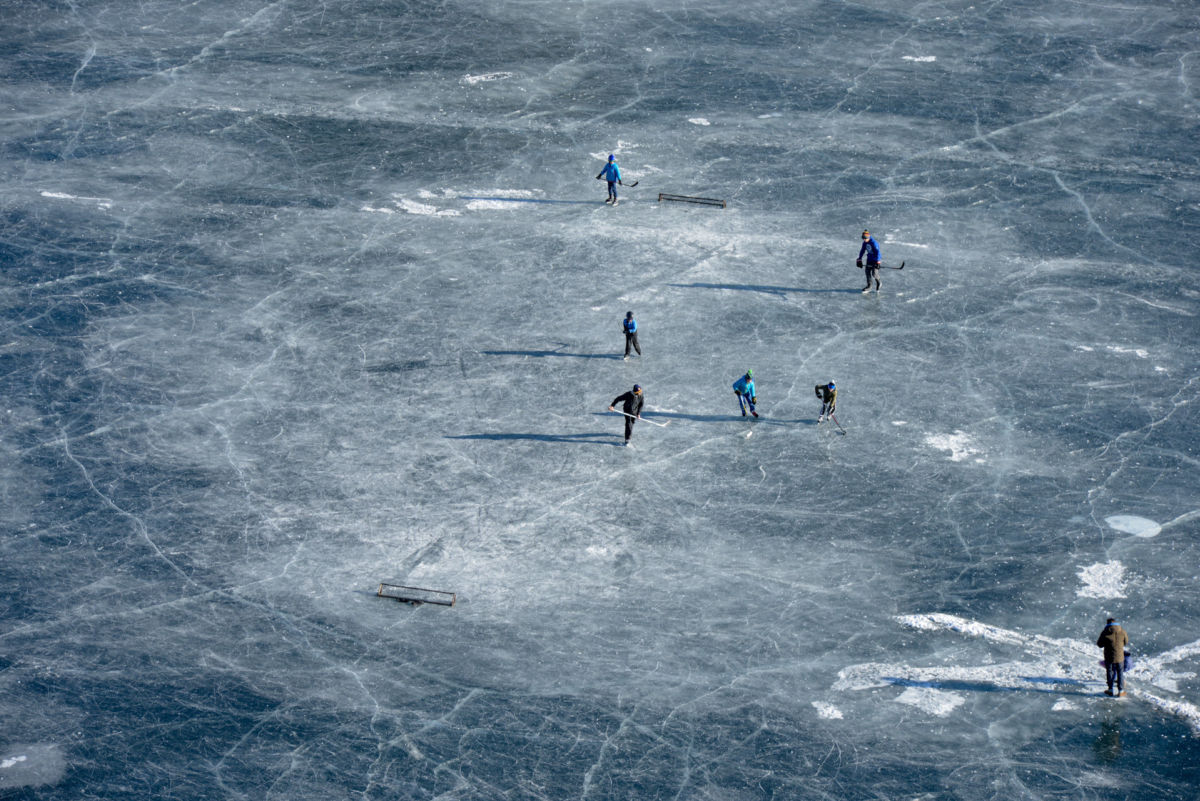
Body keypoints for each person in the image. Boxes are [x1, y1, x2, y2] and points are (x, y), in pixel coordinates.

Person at [1096, 617, 1130, 697]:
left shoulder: (1105, 632)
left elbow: (1099, 644)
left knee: (1110, 672)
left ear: (1107, 624)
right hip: (1120, 656)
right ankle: (1121, 691)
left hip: (1109, 656)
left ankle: (1110, 689)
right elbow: (1126, 642)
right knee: (1120, 672)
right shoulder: (1122, 631)